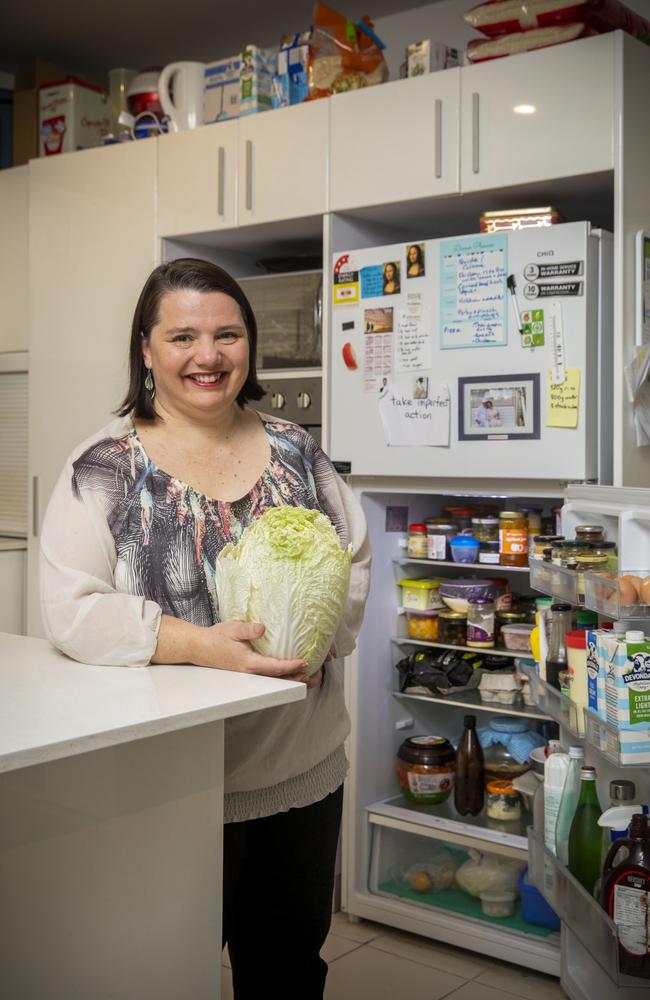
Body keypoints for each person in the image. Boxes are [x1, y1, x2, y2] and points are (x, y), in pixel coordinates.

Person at [40, 258, 371, 1000]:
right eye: (182, 335)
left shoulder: (297, 449)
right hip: (165, 784)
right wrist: (202, 647)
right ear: (147, 350)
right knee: (159, 974)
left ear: (249, 346)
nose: (208, 355)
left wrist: (314, 640)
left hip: (300, 769)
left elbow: (353, 561)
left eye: (227, 334)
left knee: (287, 972)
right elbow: (71, 609)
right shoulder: (104, 465)